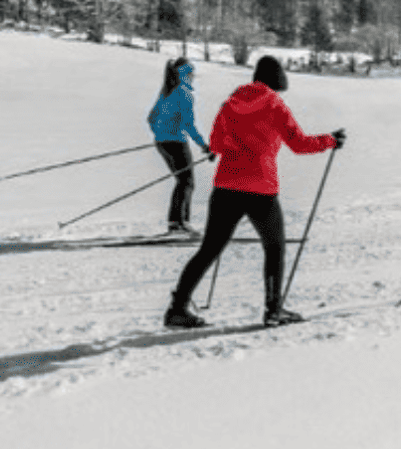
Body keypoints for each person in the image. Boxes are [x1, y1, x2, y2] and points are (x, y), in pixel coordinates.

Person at [164, 54, 345, 328]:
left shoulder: (231, 103)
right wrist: (330, 140)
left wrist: (223, 149)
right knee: (274, 248)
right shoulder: (274, 104)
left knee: (209, 249)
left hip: (226, 186)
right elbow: (299, 144)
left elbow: (216, 143)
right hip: (260, 188)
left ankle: (176, 310)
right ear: (278, 79)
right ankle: (274, 310)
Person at [148, 57, 211, 234]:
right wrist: (203, 145)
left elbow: (151, 118)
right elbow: (188, 125)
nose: (193, 78)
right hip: (176, 142)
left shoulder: (166, 91)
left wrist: (161, 134)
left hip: (162, 143)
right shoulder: (184, 93)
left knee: (182, 181)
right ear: (186, 75)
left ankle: (176, 222)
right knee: (186, 182)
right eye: (192, 74)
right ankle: (179, 223)